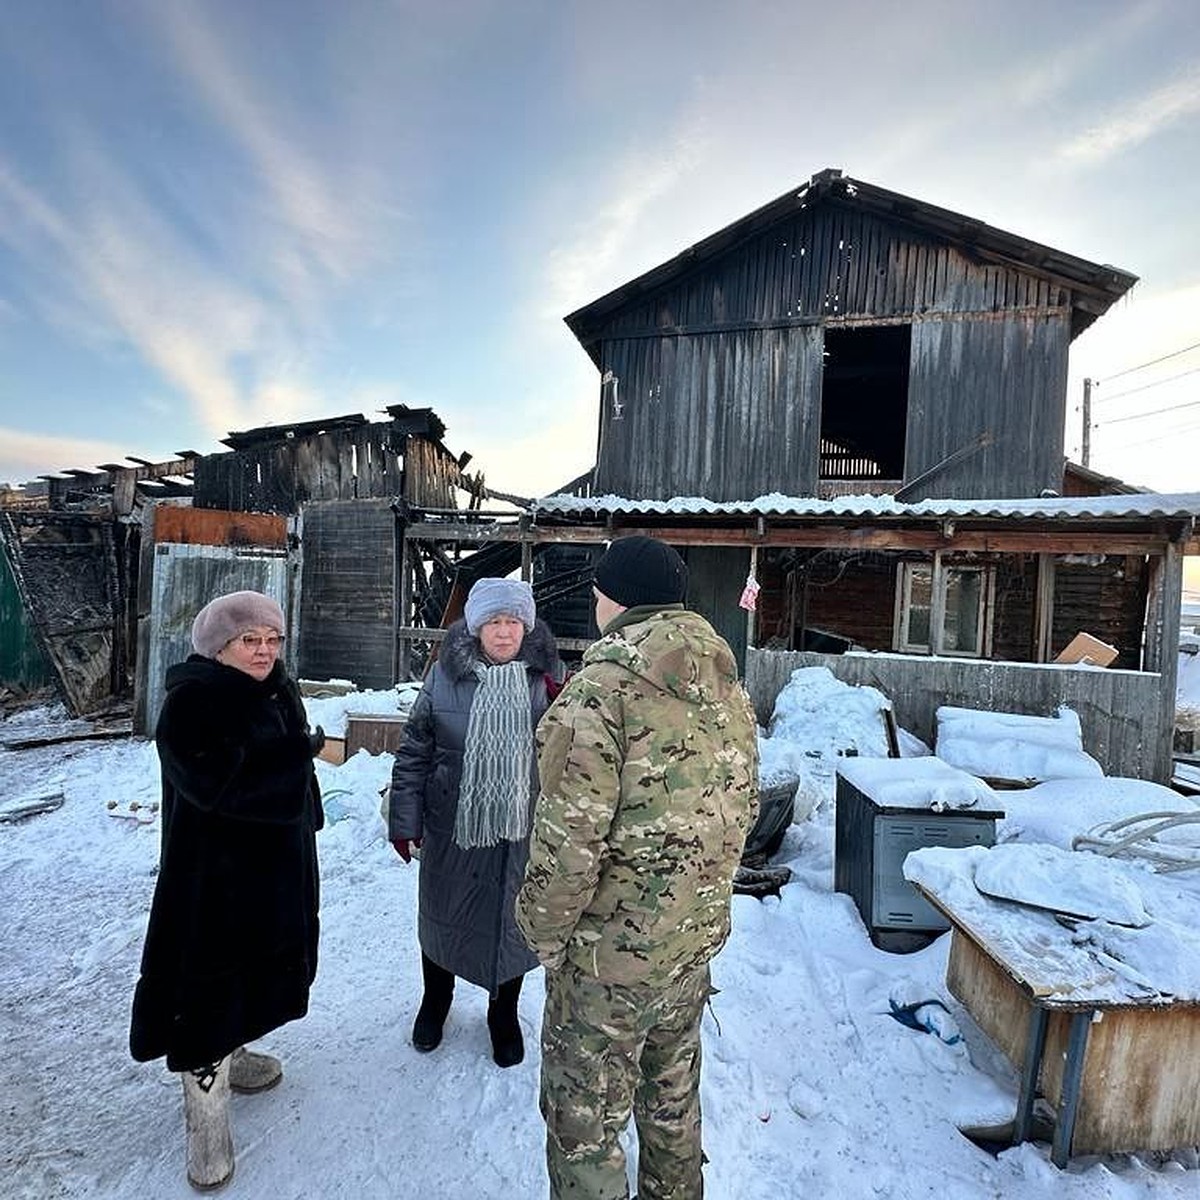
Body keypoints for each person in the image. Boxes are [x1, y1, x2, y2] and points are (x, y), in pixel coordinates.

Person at [516, 536, 759, 1200]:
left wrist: (542, 935)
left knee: (586, 1129)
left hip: (607, 966)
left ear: (612, 600)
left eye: (596, 595)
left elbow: (569, 842)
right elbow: (741, 808)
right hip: (688, 948)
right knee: (671, 1107)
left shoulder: (601, 691)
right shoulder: (725, 684)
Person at [129, 590, 325, 1192]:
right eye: (250, 640)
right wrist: (298, 755)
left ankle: (235, 1053)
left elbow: (288, 771)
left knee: (259, 974)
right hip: (215, 881)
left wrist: (306, 803)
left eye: (272, 639)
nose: (265, 650)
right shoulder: (194, 701)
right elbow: (218, 786)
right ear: (220, 647)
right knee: (209, 987)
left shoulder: (275, 686)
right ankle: (206, 1126)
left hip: (274, 868)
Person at [388, 576, 561, 1067]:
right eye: (493, 622)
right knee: (444, 916)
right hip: (453, 826)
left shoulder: (546, 680)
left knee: (511, 923)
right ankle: (435, 1001)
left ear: (526, 627)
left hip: (519, 830)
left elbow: (566, 756)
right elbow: (415, 747)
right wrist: (406, 819)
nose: (504, 633)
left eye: (512, 622)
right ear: (475, 626)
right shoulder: (445, 676)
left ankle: (502, 1013)